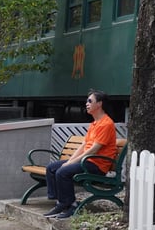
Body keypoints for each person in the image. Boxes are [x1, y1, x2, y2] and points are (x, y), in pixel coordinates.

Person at [44, 89, 118, 218]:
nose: (86, 104)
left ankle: (71, 206)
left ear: (99, 104)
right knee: (51, 168)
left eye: (90, 101)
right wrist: (69, 161)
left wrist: (71, 163)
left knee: (62, 172)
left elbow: (94, 149)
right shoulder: (94, 123)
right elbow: (84, 145)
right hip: (87, 161)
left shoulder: (106, 123)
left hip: (97, 164)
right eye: (87, 101)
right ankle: (62, 203)